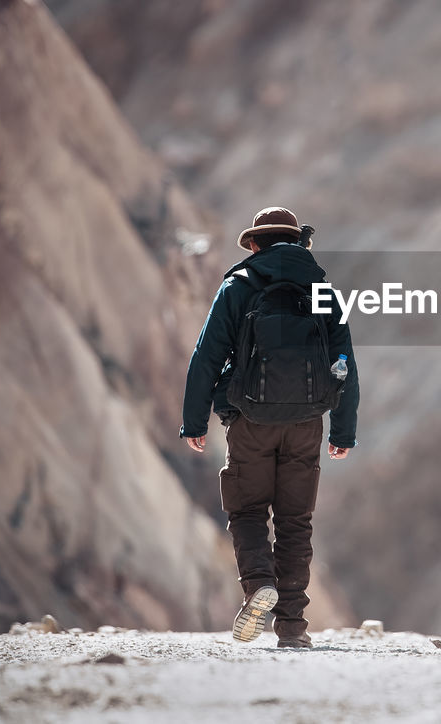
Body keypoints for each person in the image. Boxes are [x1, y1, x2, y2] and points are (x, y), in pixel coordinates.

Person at [179, 206, 359, 649]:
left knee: (247, 511)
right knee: (296, 521)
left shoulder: (238, 286)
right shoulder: (322, 289)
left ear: (255, 244)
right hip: (306, 422)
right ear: (298, 243)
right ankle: (293, 630)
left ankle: (259, 583)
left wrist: (194, 420)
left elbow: (207, 355)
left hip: (249, 420)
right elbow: (343, 363)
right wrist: (343, 430)